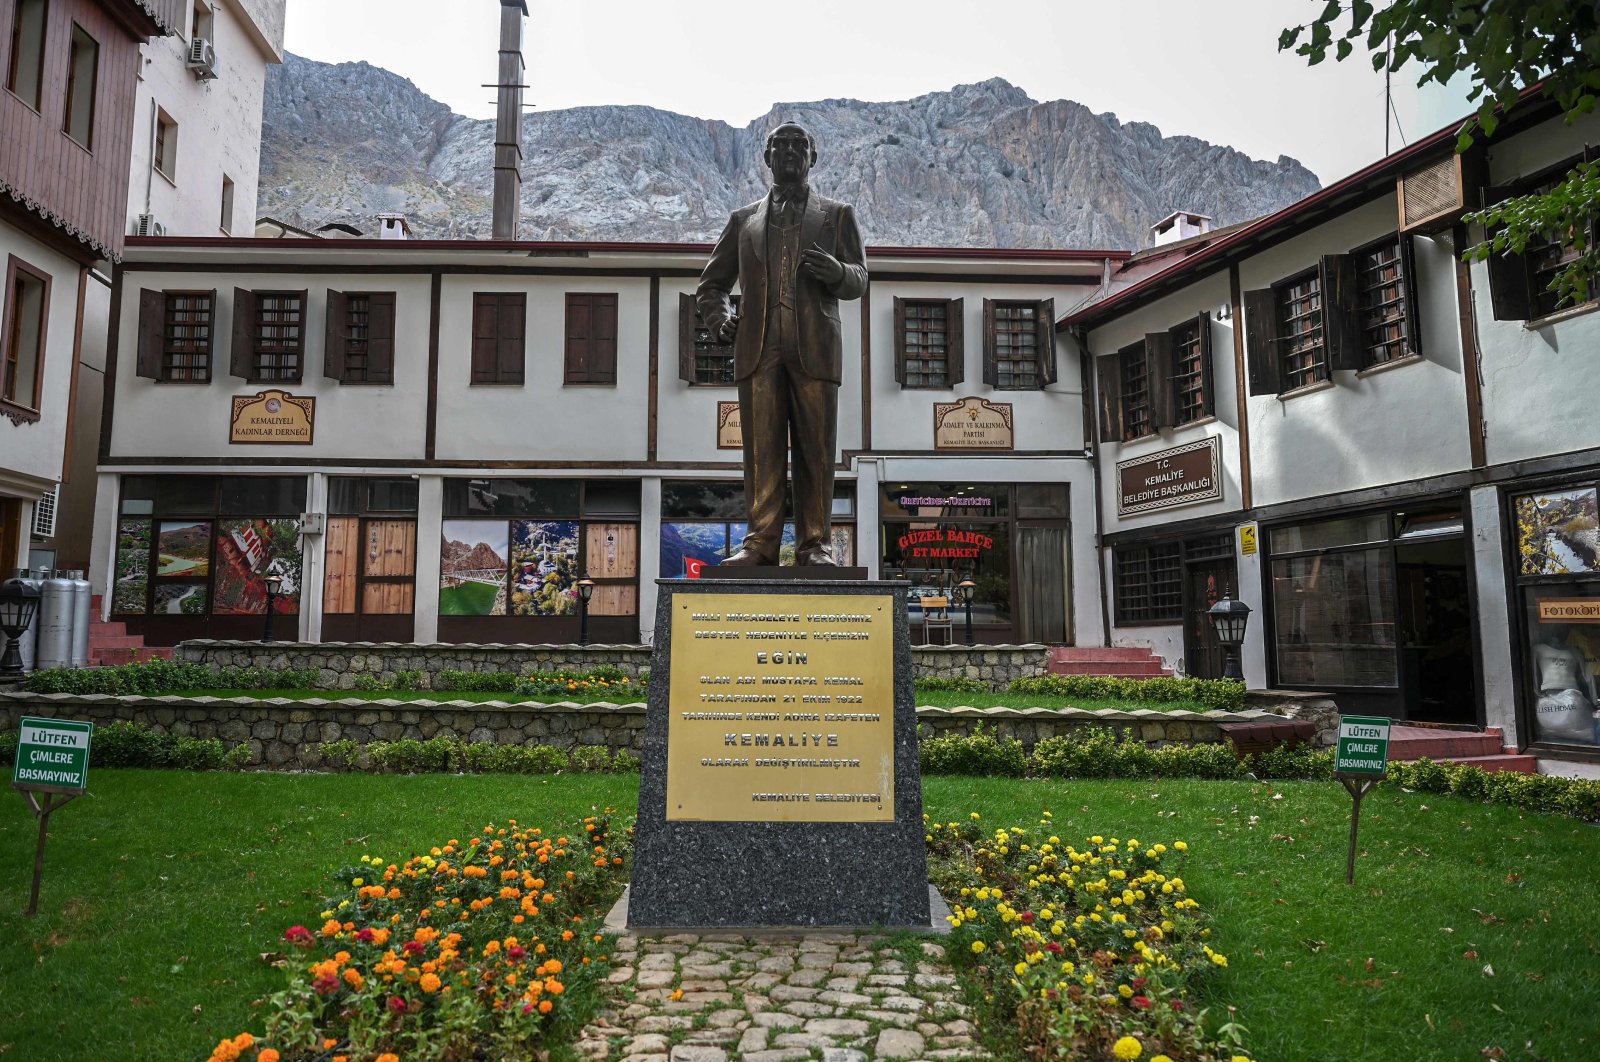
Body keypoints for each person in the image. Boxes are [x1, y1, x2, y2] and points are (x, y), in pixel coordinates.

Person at [696, 122, 869, 566]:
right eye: (780, 145)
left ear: (813, 156)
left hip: (815, 351)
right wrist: (720, 320)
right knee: (762, 452)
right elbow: (711, 285)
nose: (789, 152)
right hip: (759, 351)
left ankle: (815, 546)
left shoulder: (837, 214)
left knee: (816, 451)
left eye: (799, 145)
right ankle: (760, 543)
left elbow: (859, 279)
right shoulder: (743, 221)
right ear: (767, 157)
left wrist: (837, 273)